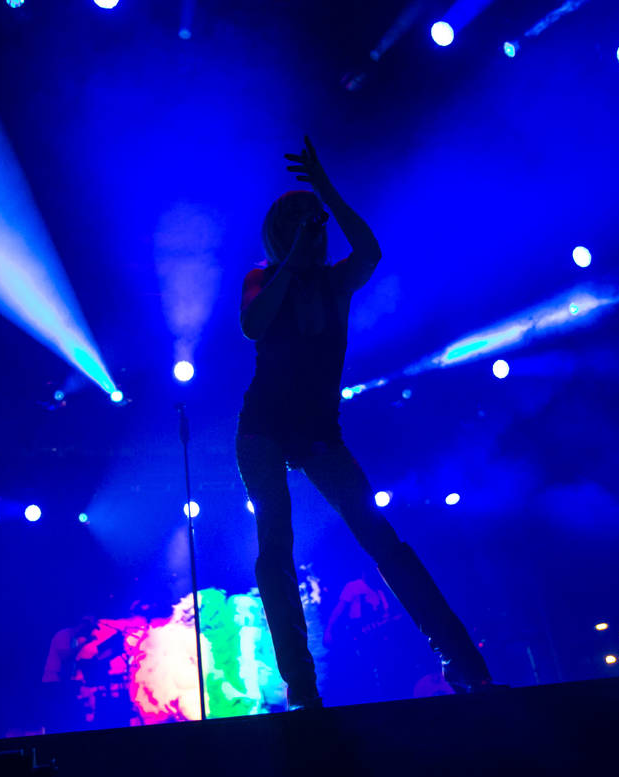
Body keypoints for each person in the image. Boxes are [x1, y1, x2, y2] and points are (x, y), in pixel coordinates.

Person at [235, 137, 494, 709]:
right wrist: (288, 259)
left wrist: (325, 190)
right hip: (263, 426)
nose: (315, 231)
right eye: (302, 225)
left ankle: (461, 658)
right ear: (282, 234)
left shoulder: (337, 280)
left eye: (318, 224)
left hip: (322, 430)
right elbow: (253, 325)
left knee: (380, 538)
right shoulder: (261, 278)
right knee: (276, 546)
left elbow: (371, 250)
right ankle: (302, 686)